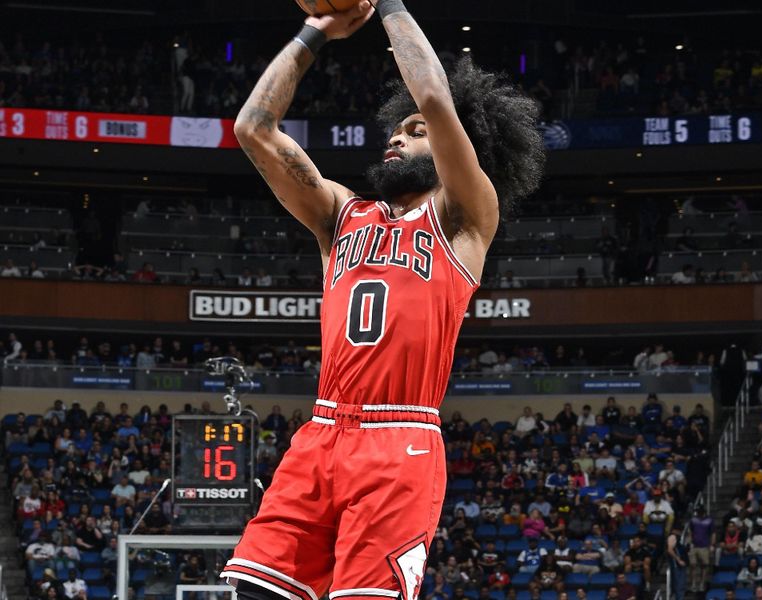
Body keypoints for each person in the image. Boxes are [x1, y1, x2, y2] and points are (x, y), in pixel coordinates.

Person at [220, 1, 545, 598]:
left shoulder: (465, 219)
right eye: (397, 130)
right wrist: (314, 32)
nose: (399, 136)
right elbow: (253, 130)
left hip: (402, 440)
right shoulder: (341, 216)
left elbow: (436, 102)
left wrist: (388, 4)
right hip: (320, 431)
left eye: (415, 134)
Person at [667, 522, 688, 600]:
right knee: (679, 585)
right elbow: (670, 550)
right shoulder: (673, 536)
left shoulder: (677, 538)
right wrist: (678, 560)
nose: (681, 532)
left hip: (680, 565)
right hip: (677, 565)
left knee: (681, 585)